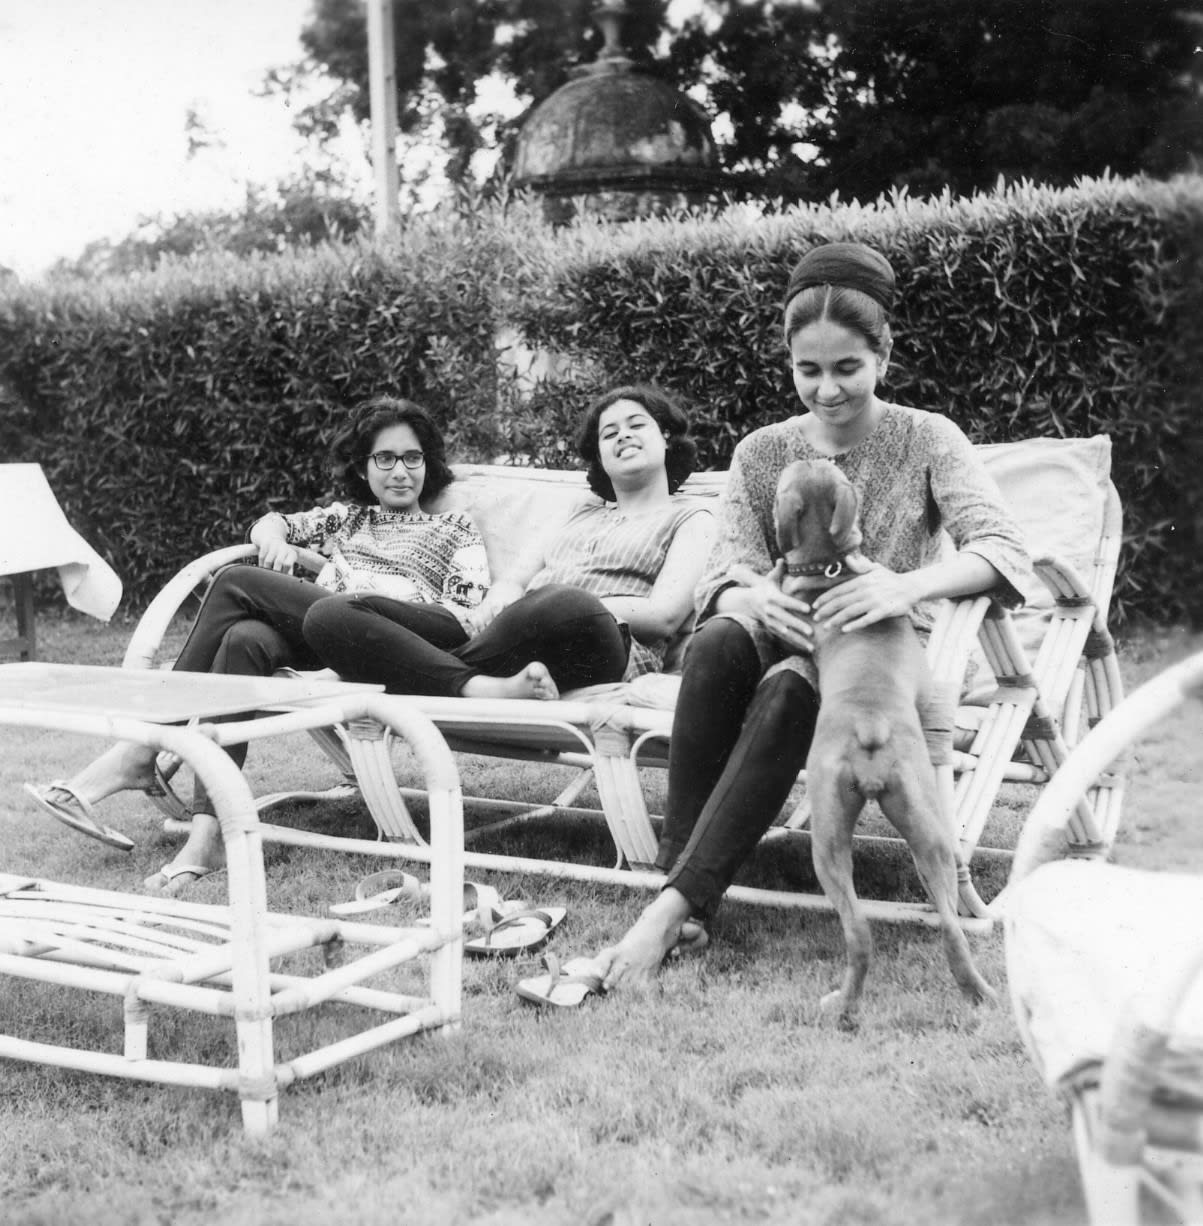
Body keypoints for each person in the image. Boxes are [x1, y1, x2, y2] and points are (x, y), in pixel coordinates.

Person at [593, 241, 1034, 990]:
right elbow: (721, 575)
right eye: (808, 370)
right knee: (719, 641)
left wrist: (905, 586)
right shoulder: (762, 450)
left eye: (846, 368)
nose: (827, 390)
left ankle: (670, 910)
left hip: (872, 650)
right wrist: (751, 596)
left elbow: (1002, 548)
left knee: (792, 685)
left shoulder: (927, 436)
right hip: (782, 624)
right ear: (790, 363)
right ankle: (680, 885)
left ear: (882, 356)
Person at [26, 396, 489, 894]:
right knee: (243, 639)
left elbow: (460, 620)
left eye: (413, 458)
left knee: (234, 581)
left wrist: (377, 607)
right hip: (321, 635)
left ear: (428, 463)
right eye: (385, 458)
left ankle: (141, 749)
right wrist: (273, 538)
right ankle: (206, 837)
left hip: (386, 644)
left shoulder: (454, 528)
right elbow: (273, 522)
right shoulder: (348, 520)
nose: (400, 471)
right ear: (363, 467)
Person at [303, 384, 715, 701]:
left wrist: (573, 603)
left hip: (602, 642)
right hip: (512, 639)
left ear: (666, 437)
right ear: (600, 456)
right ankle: (471, 685)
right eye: (610, 433)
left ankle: (391, 664)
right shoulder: (579, 510)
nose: (623, 436)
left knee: (565, 602)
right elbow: (514, 580)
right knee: (331, 614)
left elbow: (663, 615)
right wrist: (501, 597)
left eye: (636, 425)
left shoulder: (691, 518)